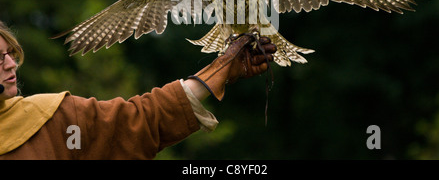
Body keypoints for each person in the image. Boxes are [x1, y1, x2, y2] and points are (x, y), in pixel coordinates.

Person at [0, 20, 276, 159]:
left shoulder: (51, 120)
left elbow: (137, 121)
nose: (12, 64)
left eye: (11, 53)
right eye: (0, 57)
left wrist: (218, 70)